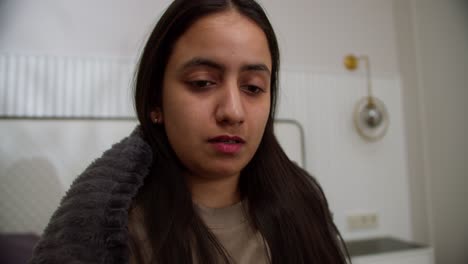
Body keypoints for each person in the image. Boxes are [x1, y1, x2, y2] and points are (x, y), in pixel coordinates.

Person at [31, 0, 350, 263]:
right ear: (156, 99)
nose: (233, 112)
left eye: (253, 87)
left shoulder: (304, 205)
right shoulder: (116, 232)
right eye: (202, 83)